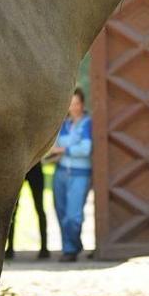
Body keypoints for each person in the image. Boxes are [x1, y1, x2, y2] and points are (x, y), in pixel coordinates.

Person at [50, 88, 92, 263]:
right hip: (60, 174)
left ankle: (73, 245)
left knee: (73, 216)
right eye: (71, 104)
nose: (74, 107)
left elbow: (85, 149)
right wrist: (63, 150)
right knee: (61, 214)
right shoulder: (64, 125)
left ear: (82, 105)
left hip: (79, 174)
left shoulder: (87, 124)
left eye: (77, 103)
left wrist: (63, 150)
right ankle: (70, 249)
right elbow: (52, 148)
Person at [5, 162, 51, 260]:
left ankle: (44, 247)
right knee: (12, 211)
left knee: (39, 208)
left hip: (31, 166)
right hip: (19, 167)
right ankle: (9, 247)